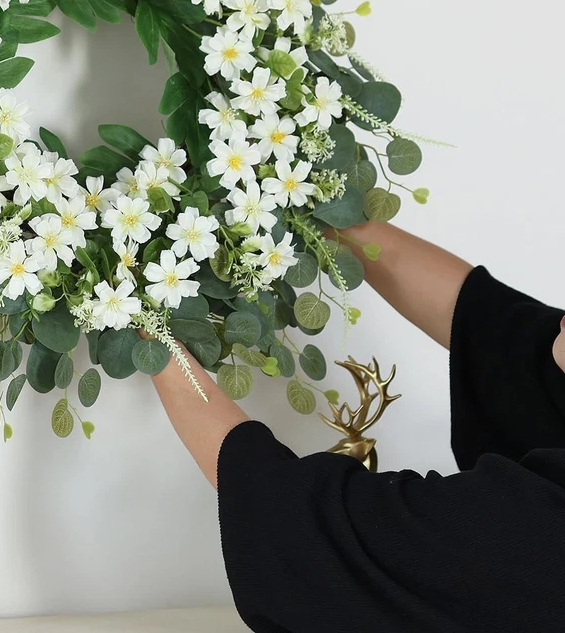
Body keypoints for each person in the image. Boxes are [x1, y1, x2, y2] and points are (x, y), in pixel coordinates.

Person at [150, 221, 565, 632]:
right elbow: (492, 323)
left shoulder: (536, 537)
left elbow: (303, 523)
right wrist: (307, 207)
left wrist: (147, 321)